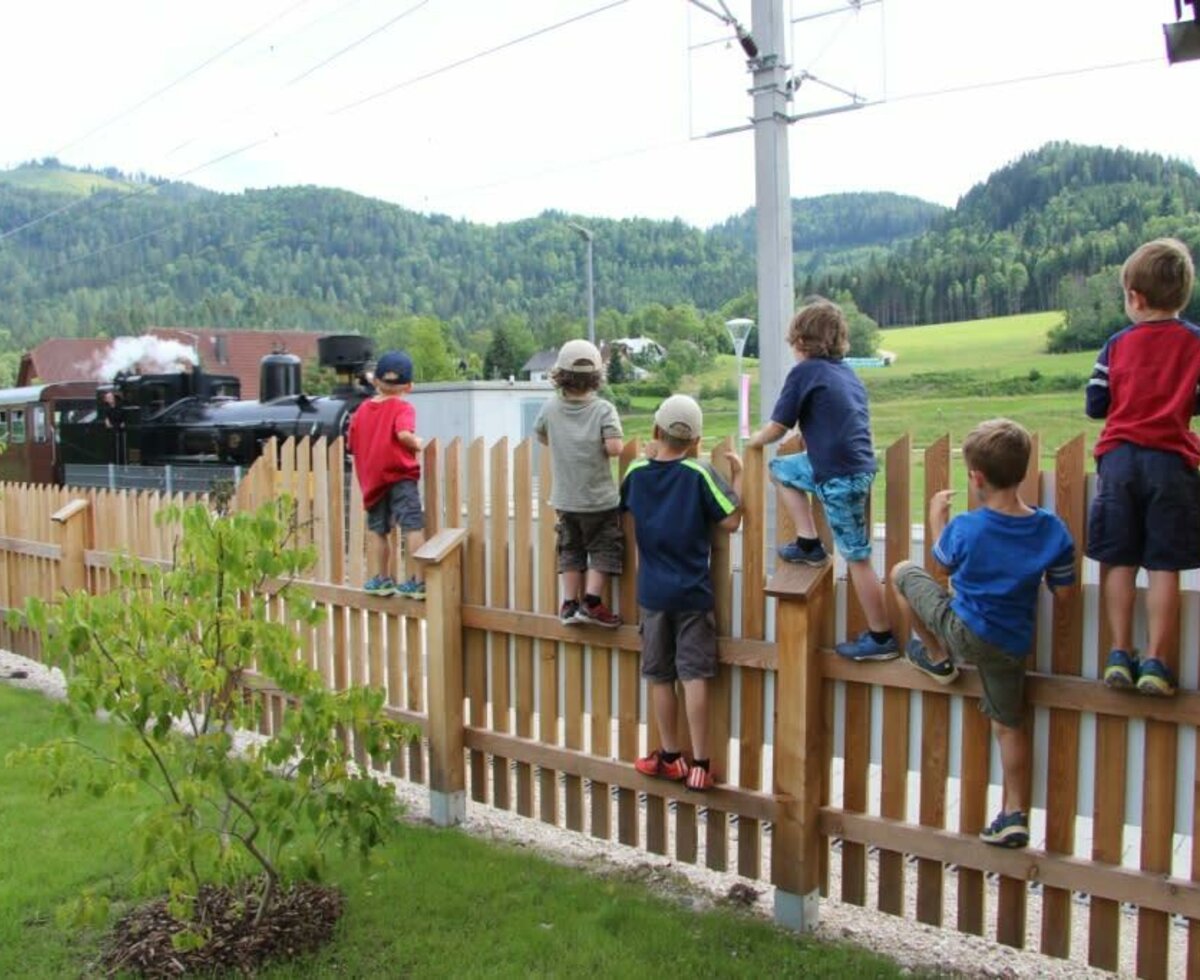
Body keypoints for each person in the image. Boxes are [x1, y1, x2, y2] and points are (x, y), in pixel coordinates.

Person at [891, 418, 1076, 848]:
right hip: (1012, 645)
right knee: (1009, 726)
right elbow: (1064, 594)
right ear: (1024, 471)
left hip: (964, 631)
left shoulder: (966, 527)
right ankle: (1014, 814)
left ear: (975, 477)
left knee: (903, 573)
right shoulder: (1051, 529)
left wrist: (938, 519)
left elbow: (943, 564)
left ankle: (936, 657)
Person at [746, 295, 897, 660]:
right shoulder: (847, 373)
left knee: (858, 558)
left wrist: (753, 441)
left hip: (839, 477)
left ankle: (881, 638)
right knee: (782, 469)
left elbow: (779, 426)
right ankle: (809, 542)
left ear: (801, 341)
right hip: (847, 466)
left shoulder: (804, 372)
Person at [1085, 237, 1200, 697]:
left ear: (1135, 297)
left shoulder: (1116, 345)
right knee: (1163, 565)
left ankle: (1118, 651)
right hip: (1171, 461)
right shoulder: (1195, 343)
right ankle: (1156, 660)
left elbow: (1096, 404)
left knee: (1118, 560)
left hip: (1119, 461)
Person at [622, 395, 742, 791]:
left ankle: (670, 755)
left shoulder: (636, 473)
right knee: (694, 676)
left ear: (656, 432)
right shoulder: (699, 473)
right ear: (696, 440)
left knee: (659, 675)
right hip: (692, 594)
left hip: (652, 595)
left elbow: (623, 505)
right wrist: (737, 480)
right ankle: (702, 764)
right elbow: (730, 521)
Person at [534, 339, 624, 627]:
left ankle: (569, 604)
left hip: (565, 499)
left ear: (560, 374)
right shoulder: (604, 409)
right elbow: (614, 448)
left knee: (570, 548)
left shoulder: (550, 408)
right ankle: (592, 603)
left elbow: (542, 436)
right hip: (598, 500)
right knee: (603, 547)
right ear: (597, 376)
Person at [346, 350, 427, 599]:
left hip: (373, 481)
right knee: (412, 526)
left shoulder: (360, 411)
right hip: (399, 476)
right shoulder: (403, 407)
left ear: (376, 382)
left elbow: (351, 444)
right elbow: (403, 434)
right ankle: (419, 581)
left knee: (379, 530)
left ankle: (383, 578)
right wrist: (417, 443)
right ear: (409, 386)